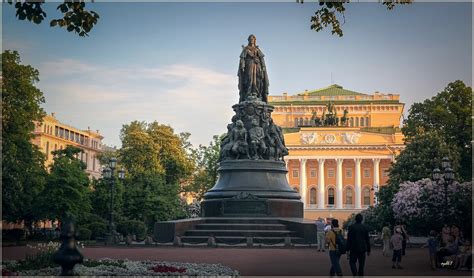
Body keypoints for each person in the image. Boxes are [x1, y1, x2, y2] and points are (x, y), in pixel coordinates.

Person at [238, 34, 269, 103]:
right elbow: (242, 58)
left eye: (252, 39)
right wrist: (243, 65)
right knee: (249, 78)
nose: (251, 40)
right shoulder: (246, 49)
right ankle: (248, 93)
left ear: (254, 40)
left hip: (257, 66)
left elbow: (261, 59)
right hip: (249, 65)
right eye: (250, 39)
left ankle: (256, 93)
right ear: (248, 40)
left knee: (258, 79)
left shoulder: (257, 49)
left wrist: (263, 66)